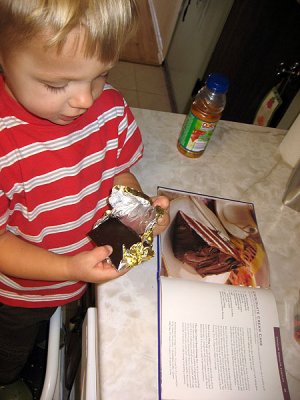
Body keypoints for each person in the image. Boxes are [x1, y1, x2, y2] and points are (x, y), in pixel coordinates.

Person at [0, 0, 169, 397]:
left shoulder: (108, 109)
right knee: (12, 345)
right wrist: (67, 268)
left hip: (78, 273)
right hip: (19, 292)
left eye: (101, 75)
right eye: (58, 85)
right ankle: (7, 376)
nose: (86, 100)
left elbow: (116, 170)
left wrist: (140, 212)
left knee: (57, 321)